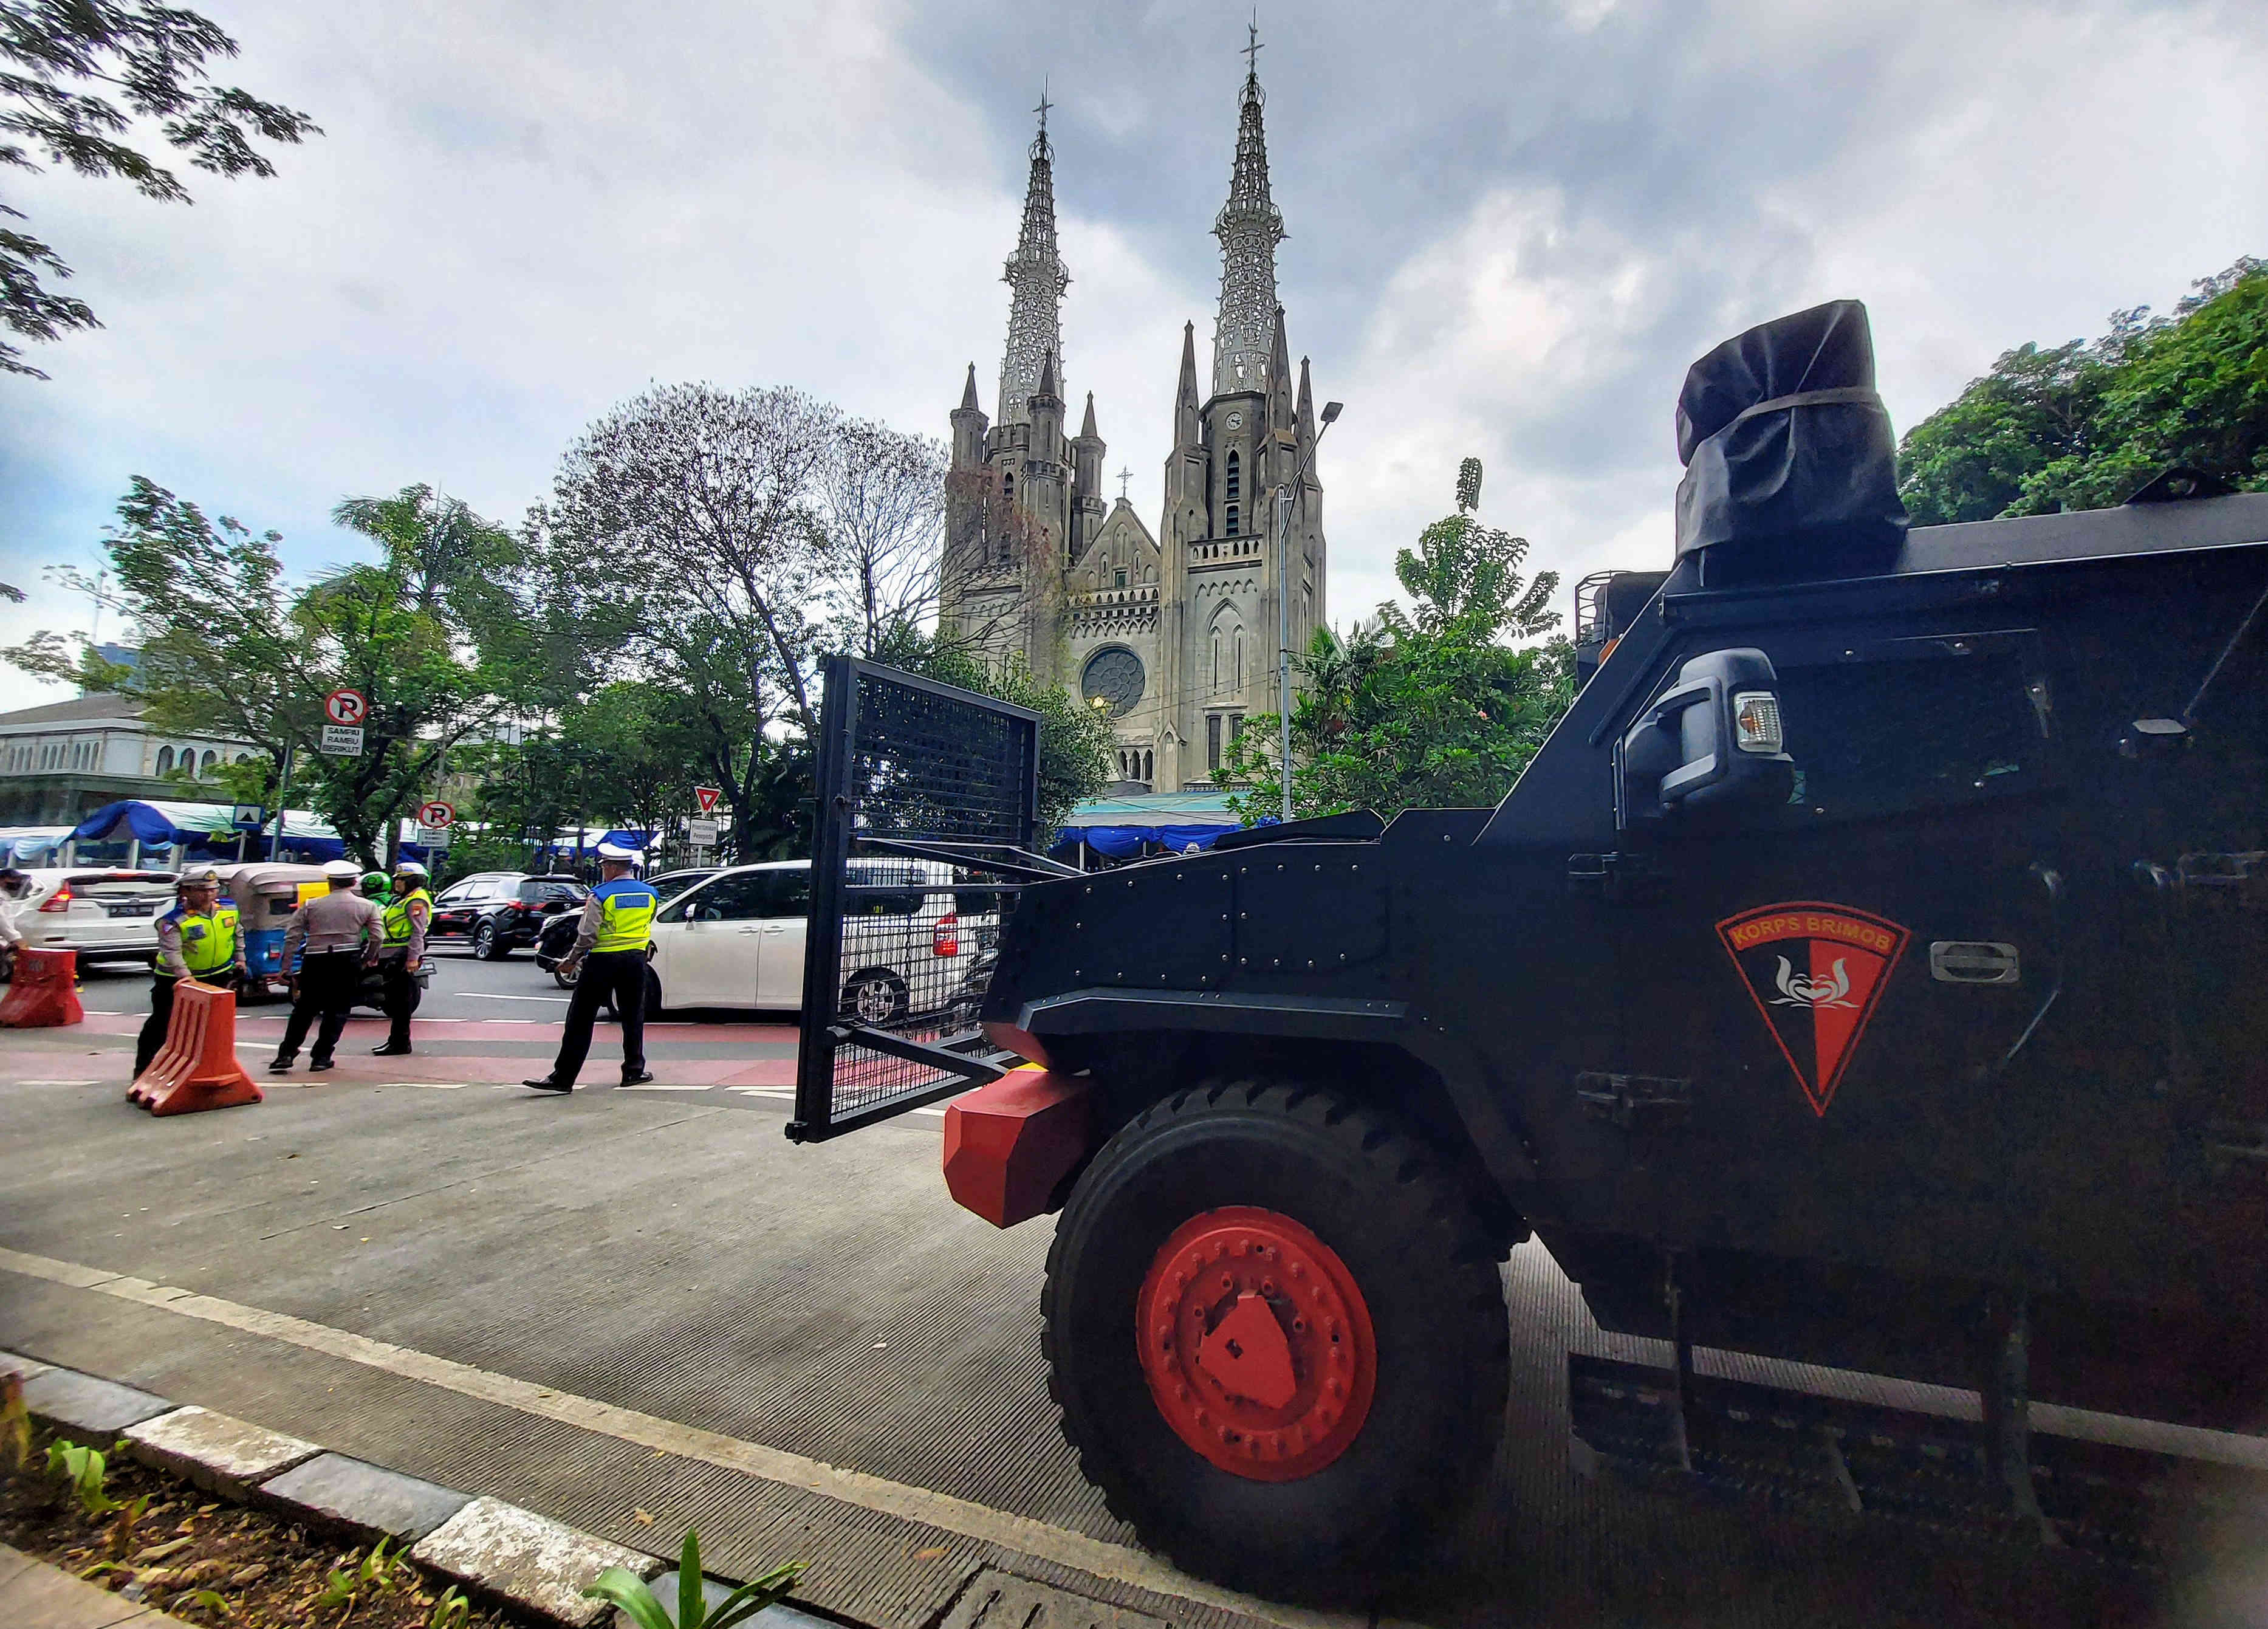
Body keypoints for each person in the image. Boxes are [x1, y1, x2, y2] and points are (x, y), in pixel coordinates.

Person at [525, 843, 657, 1092]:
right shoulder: (651, 893)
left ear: (613, 867)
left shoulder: (601, 894)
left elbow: (587, 935)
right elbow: (647, 923)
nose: (604, 870)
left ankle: (563, 1078)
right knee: (633, 1017)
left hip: (603, 961)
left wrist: (571, 960)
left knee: (580, 1018)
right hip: (636, 960)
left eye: (605, 866)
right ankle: (633, 1071)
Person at [134, 866, 248, 1075]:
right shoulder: (174, 920)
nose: (208, 894)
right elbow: (172, 952)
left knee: (212, 1026)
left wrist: (240, 959)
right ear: (185, 893)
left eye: (213, 889)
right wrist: (186, 977)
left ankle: (204, 1069)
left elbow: (237, 933)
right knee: (161, 1025)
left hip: (218, 975)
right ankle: (143, 1070)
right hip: (176, 980)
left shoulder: (229, 908)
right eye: (201, 890)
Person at [270, 859, 381, 1074]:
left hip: (316, 959)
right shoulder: (367, 906)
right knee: (337, 1010)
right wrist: (367, 958)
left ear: (330, 883)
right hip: (347, 959)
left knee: (304, 1009)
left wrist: (286, 967)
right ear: (354, 882)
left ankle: (286, 1054)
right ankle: (321, 1058)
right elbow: (377, 936)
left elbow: (292, 936)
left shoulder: (312, 905)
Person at [371, 859, 432, 1057]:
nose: (396, 882)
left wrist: (413, 959)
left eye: (401, 879)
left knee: (401, 1002)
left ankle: (400, 1043)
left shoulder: (416, 901)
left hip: (404, 954)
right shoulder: (401, 899)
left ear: (412, 881)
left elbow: (417, 933)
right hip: (393, 954)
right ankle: (396, 1041)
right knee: (396, 1000)